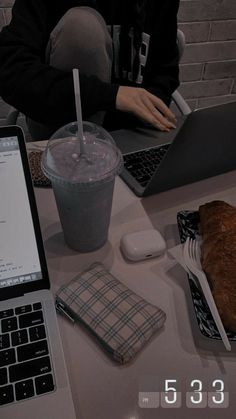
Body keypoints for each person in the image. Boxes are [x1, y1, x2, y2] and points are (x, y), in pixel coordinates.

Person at [0, 0, 180, 140]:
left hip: (128, 133)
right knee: (82, 28)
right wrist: (111, 96)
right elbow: (10, 71)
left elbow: (165, 74)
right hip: (60, 131)